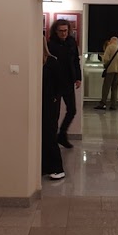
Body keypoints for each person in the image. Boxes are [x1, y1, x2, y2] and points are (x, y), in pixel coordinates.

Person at [47, 19, 82, 148]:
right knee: (54, 113)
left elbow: (76, 61)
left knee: (72, 110)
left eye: (65, 31)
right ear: (56, 31)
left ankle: (62, 134)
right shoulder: (50, 44)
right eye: (61, 31)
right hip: (54, 82)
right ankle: (51, 139)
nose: (63, 33)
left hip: (68, 81)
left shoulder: (71, 42)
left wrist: (78, 78)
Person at [40, 36, 65, 180]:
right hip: (39, 103)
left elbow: (59, 84)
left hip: (49, 104)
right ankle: (45, 166)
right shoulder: (35, 61)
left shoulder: (51, 62)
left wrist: (55, 98)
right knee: (41, 136)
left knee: (49, 136)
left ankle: (57, 167)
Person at [95, 36, 118, 110]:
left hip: (110, 70)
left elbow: (106, 59)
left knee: (106, 87)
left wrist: (104, 64)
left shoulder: (109, 47)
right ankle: (113, 105)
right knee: (114, 88)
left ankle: (103, 103)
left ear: (111, 41)